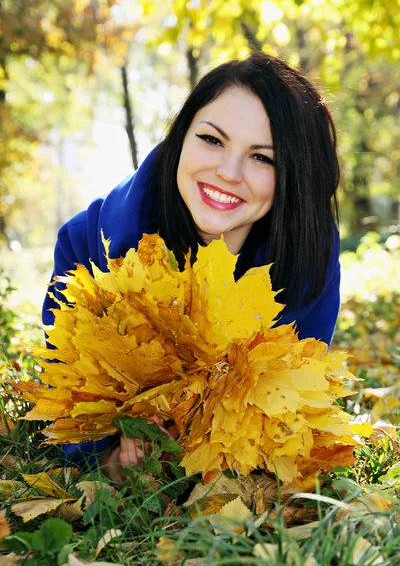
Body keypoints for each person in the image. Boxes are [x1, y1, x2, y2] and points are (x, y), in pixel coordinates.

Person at [43, 51, 341, 482]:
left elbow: (289, 410)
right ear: (181, 137)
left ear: (293, 174)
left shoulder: (308, 259)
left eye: (263, 158)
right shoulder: (86, 249)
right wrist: (108, 456)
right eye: (212, 140)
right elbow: (69, 402)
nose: (228, 172)